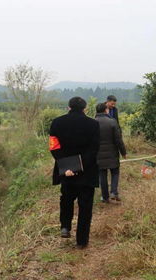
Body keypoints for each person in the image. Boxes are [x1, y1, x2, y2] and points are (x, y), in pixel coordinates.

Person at [49, 97, 100, 249]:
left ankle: (65, 226)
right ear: (85, 108)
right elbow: (94, 149)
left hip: (65, 171)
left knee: (66, 199)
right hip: (87, 171)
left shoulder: (57, 122)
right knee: (85, 206)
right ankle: (82, 241)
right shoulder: (93, 124)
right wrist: (80, 166)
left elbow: (54, 147)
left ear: (68, 107)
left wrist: (66, 167)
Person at [95, 103, 127, 202]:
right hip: (112, 153)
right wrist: (123, 152)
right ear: (106, 110)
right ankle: (114, 192)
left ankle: (105, 197)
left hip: (98, 154)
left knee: (102, 175)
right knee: (115, 172)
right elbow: (118, 140)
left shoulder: (92, 123)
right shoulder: (112, 122)